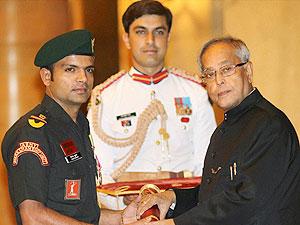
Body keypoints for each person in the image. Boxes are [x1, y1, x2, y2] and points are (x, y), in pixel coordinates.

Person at [131, 37, 300, 225]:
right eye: (209, 74)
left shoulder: (269, 125)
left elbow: (246, 201)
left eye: (226, 69)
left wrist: (175, 224)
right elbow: (213, 195)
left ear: (248, 71)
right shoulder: (223, 130)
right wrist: (172, 197)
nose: (218, 81)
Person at [1, 29, 141, 225]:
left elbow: (82, 213)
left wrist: (122, 217)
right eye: (70, 69)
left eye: (88, 70)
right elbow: (33, 216)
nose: (83, 78)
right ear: (46, 77)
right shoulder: (32, 133)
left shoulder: (80, 124)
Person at [87, 0, 216, 210]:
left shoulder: (195, 92)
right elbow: (99, 170)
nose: (150, 40)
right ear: (126, 39)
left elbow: (207, 162)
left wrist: (179, 200)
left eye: (158, 32)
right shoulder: (105, 97)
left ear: (168, 37)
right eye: (140, 32)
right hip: (128, 212)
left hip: (184, 210)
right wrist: (121, 201)